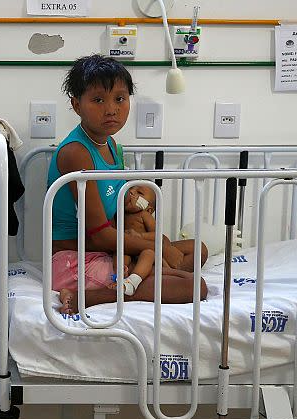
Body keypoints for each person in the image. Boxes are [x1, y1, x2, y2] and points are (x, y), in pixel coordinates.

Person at [47, 54, 208, 315]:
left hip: (111, 247)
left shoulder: (111, 146)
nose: (111, 109)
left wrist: (142, 217)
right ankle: (88, 298)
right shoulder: (76, 152)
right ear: (77, 105)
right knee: (194, 287)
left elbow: (118, 208)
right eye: (98, 100)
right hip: (77, 258)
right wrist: (156, 246)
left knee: (197, 251)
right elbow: (99, 234)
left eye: (120, 99)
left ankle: (144, 277)